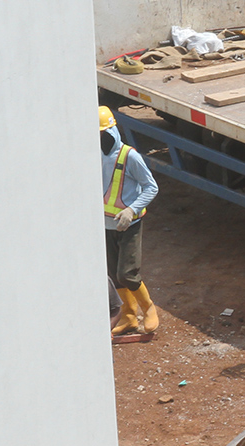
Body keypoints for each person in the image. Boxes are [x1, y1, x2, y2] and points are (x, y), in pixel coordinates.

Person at [99, 105, 160, 335]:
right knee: (114, 274)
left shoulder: (129, 156)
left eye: (101, 134)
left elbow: (151, 187)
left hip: (128, 224)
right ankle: (129, 317)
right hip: (105, 225)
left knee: (127, 273)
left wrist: (131, 210)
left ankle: (149, 308)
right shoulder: (93, 155)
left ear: (111, 132)